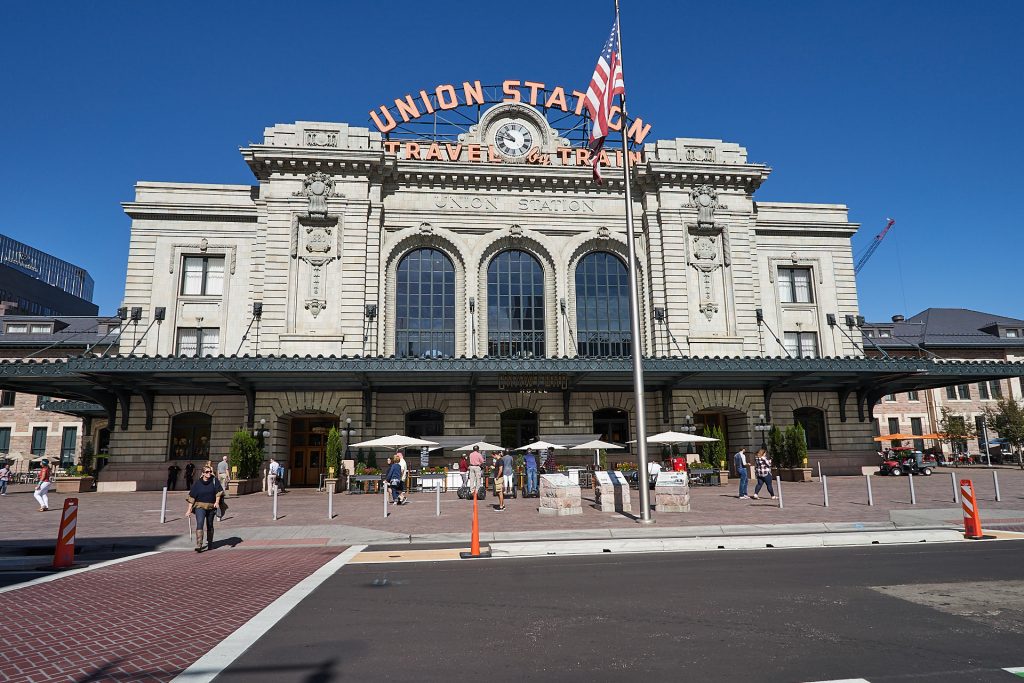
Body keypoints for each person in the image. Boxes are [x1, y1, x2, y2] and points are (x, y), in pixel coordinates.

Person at [185, 463, 224, 552]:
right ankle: (199, 544)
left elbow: (219, 492)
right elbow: (192, 497)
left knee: (210, 525)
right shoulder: (197, 483)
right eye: (207, 472)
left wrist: (217, 502)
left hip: (211, 507)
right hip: (200, 506)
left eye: (210, 472)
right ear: (202, 473)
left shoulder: (214, 481)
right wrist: (189, 509)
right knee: (200, 523)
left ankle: (210, 543)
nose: (209, 473)